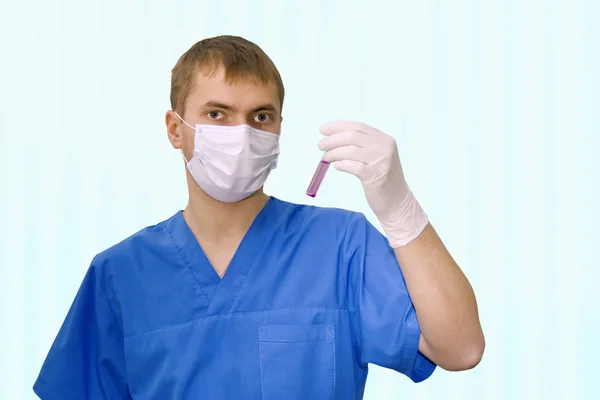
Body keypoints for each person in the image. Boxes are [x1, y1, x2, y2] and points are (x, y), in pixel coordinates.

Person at [33, 35, 484, 399]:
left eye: (260, 116)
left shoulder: (339, 245)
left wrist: (400, 209)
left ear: (278, 128)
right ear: (176, 129)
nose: (242, 134)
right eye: (217, 114)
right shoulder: (121, 275)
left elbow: (461, 349)